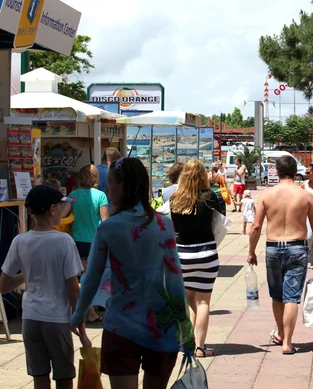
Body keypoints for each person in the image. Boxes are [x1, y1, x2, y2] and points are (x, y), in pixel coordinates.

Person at [71, 158, 194, 389]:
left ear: (123, 186)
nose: (107, 189)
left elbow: (91, 278)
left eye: (111, 184)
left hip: (122, 325)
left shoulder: (109, 228)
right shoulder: (164, 224)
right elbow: (175, 277)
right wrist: (184, 324)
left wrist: (79, 314)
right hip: (163, 325)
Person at [0, 185, 87, 389]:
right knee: (64, 377)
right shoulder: (64, 241)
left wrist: (27, 273)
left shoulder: (20, 241)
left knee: (39, 377)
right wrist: (82, 328)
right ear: (52, 210)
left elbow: (3, 285)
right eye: (61, 206)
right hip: (56, 318)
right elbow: (73, 288)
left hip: (30, 319)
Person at [248, 156, 313, 355]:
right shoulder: (305, 197)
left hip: (273, 248)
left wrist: (251, 252)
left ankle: (281, 333)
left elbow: (256, 227)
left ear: (276, 172)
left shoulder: (266, 196)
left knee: (277, 296)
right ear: (296, 173)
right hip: (297, 247)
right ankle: (287, 342)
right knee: (291, 297)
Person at [170, 160, 225, 358]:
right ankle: (200, 347)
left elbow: (175, 227)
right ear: (203, 175)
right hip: (206, 253)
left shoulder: (175, 197)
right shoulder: (209, 196)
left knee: (188, 300)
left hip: (183, 254)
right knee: (203, 302)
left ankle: (186, 342)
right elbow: (220, 218)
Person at [69, 164, 109, 323]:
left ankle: (88, 311)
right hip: (96, 242)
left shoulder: (73, 195)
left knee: (84, 279)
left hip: (78, 241)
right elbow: (105, 221)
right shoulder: (101, 196)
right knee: (95, 279)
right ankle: (91, 312)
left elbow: (63, 213)